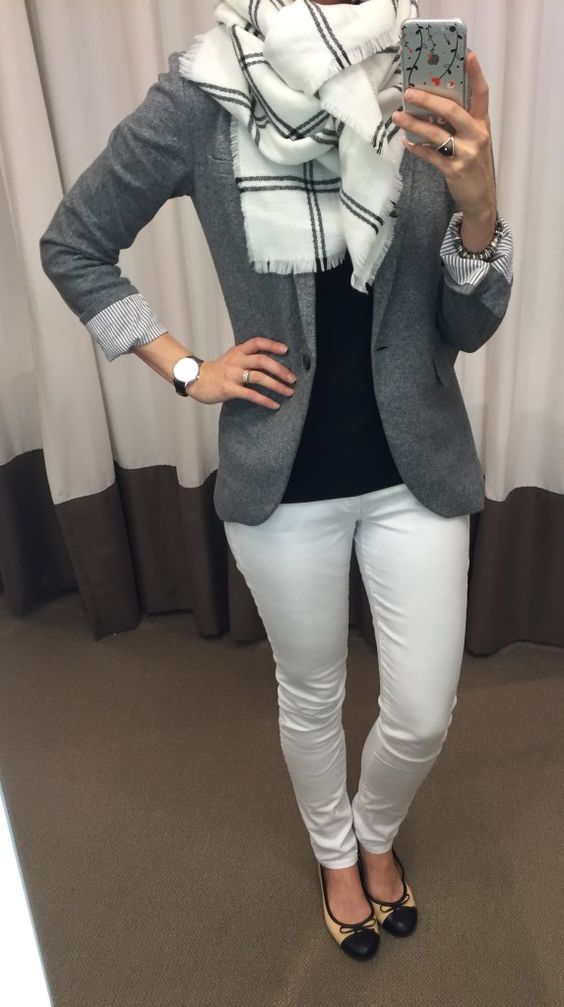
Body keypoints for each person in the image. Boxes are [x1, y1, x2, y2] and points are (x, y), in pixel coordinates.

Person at [39, 0, 513, 963]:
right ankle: (339, 854)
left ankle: (377, 829)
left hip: (416, 464)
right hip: (281, 472)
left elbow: (468, 326)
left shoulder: (421, 76)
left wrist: (479, 205)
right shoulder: (205, 95)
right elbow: (73, 245)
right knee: (311, 690)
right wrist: (187, 368)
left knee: (423, 710)